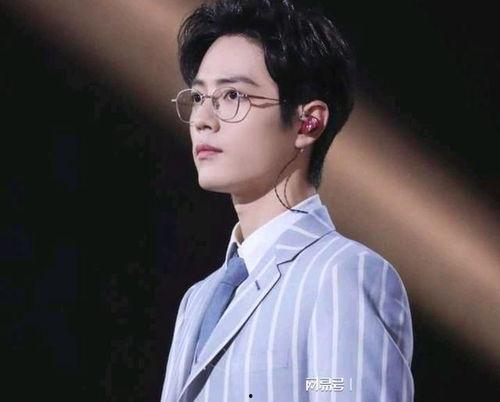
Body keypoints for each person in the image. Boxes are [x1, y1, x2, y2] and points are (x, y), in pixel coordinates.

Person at [160, 0, 414, 401]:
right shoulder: (198, 299)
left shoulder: (342, 274)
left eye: (232, 95)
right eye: (198, 97)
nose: (203, 119)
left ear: (307, 122)